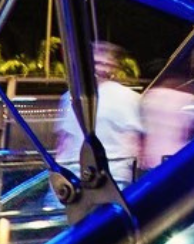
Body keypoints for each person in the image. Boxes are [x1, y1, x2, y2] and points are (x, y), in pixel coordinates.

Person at [55, 41, 145, 187]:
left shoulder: (129, 97)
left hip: (113, 178)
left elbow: (134, 141)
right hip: (73, 178)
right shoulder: (70, 96)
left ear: (115, 67)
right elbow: (64, 141)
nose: (101, 68)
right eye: (97, 62)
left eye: (106, 63)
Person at [140, 52, 194, 169]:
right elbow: (193, 129)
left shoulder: (149, 97)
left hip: (150, 159)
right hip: (178, 157)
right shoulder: (188, 99)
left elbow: (143, 131)